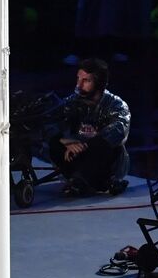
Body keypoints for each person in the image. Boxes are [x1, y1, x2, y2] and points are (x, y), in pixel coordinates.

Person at [48, 58, 132, 195]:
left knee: (103, 145)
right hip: (76, 154)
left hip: (104, 163)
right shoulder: (72, 101)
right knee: (54, 143)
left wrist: (83, 145)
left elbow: (117, 132)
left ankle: (87, 180)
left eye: (86, 81)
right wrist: (65, 141)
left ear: (100, 83)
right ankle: (78, 179)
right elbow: (51, 122)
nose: (79, 86)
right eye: (78, 79)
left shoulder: (117, 105)